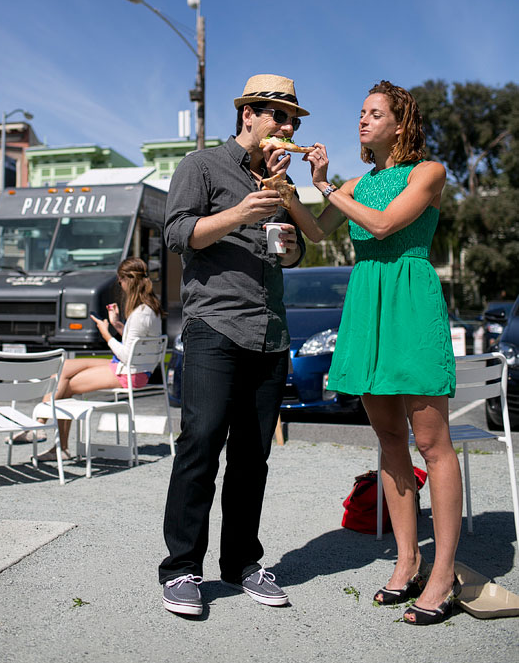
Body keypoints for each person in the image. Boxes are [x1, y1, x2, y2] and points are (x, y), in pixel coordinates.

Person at [287, 80, 461, 626]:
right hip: (367, 305)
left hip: (408, 299)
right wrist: (297, 189)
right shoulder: (360, 182)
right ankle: (407, 560)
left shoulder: (428, 172)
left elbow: (385, 225)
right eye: (361, 112)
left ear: (400, 123)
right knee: (389, 441)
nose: (362, 120)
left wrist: (330, 187)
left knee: (433, 444)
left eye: (374, 113)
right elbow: (315, 231)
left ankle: (443, 572)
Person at [159, 73, 306, 616]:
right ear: (247, 113)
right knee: (200, 444)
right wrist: (240, 213)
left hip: (270, 332)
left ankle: (242, 562)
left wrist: (289, 244)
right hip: (214, 327)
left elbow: (292, 257)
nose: (286, 127)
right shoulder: (200, 166)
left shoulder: (281, 181)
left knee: (253, 457)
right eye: (277, 115)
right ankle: (180, 569)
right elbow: (179, 235)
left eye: (291, 119)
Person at [33, 257, 162, 461]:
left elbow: (127, 354)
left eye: (120, 280)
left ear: (127, 280)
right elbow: (136, 343)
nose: (119, 285)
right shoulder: (149, 309)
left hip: (130, 372)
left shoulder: (139, 314)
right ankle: (44, 428)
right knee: (64, 368)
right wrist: (117, 324)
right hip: (135, 368)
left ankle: (44, 431)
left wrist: (107, 335)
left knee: (67, 383)